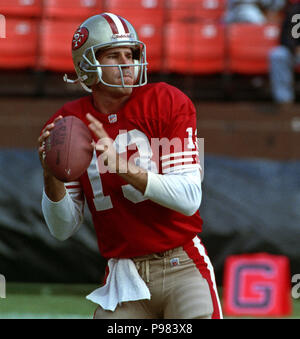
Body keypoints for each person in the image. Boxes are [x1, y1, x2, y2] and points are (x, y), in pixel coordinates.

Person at [38, 12, 222, 319]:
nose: (127, 63)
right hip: (126, 276)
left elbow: (189, 198)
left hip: (182, 266)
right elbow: (62, 228)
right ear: (87, 64)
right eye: (114, 55)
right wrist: (51, 174)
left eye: (131, 54)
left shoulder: (165, 102)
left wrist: (122, 167)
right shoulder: (69, 125)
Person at [269, 0, 300, 104]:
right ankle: (284, 100)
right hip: (295, 53)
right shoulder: (296, 11)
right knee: (278, 55)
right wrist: (294, 48)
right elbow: (286, 37)